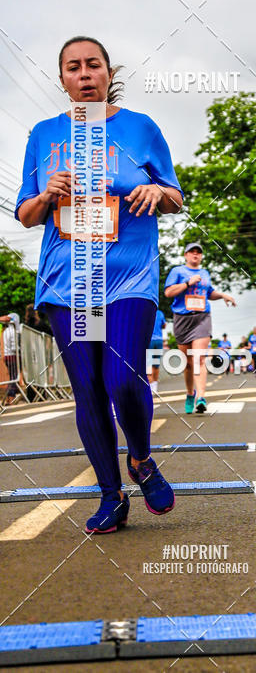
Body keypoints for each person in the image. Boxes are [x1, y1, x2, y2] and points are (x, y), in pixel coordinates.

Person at [15, 36, 183, 534]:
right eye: (73, 67)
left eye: (93, 65)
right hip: (70, 283)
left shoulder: (140, 128)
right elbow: (26, 214)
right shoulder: (44, 135)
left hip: (128, 274)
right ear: (63, 79)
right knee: (87, 389)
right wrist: (47, 193)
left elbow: (175, 195)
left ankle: (142, 460)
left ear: (110, 73)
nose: (84, 74)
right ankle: (111, 496)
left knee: (121, 377)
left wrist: (157, 189)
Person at [164, 244, 236, 413]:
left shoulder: (205, 273)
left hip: (202, 317)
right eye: (192, 252)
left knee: (199, 359)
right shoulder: (177, 271)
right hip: (182, 318)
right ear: (186, 255)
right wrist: (188, 283)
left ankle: (201, 397)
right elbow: (168, 292)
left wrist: (223, 295)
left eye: (199, 252)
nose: (196, 255)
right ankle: (190, 393)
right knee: (188, 364)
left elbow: (209, 293)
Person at [0, 312, 21, 407]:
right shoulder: (12, 331)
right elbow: (13, 346)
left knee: (13, 376)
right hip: (12, 355)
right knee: (13, 377)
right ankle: (11, 396)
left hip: (9, 355)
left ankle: (11, 396)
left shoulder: (7, 331)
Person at [148, 307, 166, 397]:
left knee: (148, 364)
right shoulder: (160, 313)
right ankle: (155, 386)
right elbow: (164, 325)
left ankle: (150, 387)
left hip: (149, 340)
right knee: (156, 364)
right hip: (159, 340)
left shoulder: (145, 311)